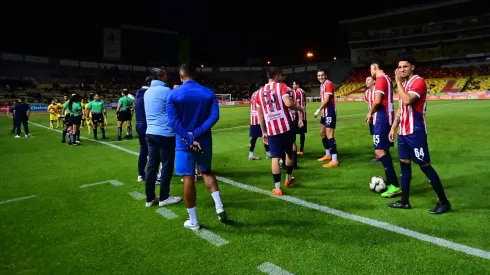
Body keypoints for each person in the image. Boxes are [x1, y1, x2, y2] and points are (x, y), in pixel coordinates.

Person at [167, 63, 227, 231]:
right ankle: (219, 205)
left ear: (180, 76)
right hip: (204, 140)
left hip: (184, 143)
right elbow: (214, 116)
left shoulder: (174, 94)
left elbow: (173, 122)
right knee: (207, 171)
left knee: (188, 178)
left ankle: (193, 221)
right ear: (197, 75)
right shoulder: (208, 93)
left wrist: (188, 137)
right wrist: (198, 133)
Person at [388, 56, 451, 214]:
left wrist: (398, 83)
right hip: (403, 132)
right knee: (404, 165)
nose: (402, 69)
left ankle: (444, 202)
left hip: (415, 132)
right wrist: (393, 127)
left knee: (425, 166)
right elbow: (401, 108)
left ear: (412, 67)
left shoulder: (418, 82)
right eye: (399, 66)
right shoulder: (405, 84)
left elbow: (408, 100)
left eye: (405, 66)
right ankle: (404, 201)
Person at [255, 67, 303, 196]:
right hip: (286, 126)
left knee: (275, 157)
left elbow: (260, 115)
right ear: (277, 75)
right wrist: (299, 108)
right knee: (289, 153)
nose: (281, 77)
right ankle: (288, 179)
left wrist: (263, 131)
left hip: (271, 129)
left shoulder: (260, 92)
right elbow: (288, 103)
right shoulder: (281, 86)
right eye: (281, 75)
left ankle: (277, 188)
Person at [143, 67, 181, 207]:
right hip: (165, 133)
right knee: (166, 165)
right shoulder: (166, 91)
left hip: (150, 133)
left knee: (152, 166)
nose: (167, 77)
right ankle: (164, 197)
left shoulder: (148, 92)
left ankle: (150, 198)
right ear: (160, 77)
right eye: (165, 75)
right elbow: (176, 108)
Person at [366, 61, 401, 198]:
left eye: (370, 68)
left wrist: (370, 113)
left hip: (382, 117)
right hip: (388, 116)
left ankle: (394, 184)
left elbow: (378, 100)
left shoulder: (380, 79)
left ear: (375, 67)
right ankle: (392, 182)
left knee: (379, 150)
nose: (370, 70)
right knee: (383, 149)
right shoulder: (387, 78)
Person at [314, 69, 339, 168]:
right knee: (322, 133)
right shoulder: (322, 85)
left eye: (322, 75)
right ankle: (328, 154)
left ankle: (334, 160)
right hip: (325, 113)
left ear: (326, 76)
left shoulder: (328, 84)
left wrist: (318, 110)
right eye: (319, 76)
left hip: (330, 112)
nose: (320, 77)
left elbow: (327, 99)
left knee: (329, 135)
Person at [135, 76, 151, 182]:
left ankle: (141, 174)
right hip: (148, 124)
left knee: (143, 150)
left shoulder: (138, 93)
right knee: (154, 150)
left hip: (139, 124)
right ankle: (154, 175)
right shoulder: (149, 93)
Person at [248, 87, 271, 160]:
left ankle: (250, 154)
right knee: (265, 135)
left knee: (254, 137)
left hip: (253, 118)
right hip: (260, 118)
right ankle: (268, 153)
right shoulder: (261, 93)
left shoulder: (253, 94)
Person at [365, 76, 379, 162]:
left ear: (374, 82)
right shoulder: (366, 92)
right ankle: (378, 155)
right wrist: (369, 115)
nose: (366, 81)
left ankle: (380, 155)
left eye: (368, 79)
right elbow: (369, 105)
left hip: (378, 117)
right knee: (374, 136)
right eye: (366, 80)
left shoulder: (377, 91)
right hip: (372, 117)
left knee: (378, 136)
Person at [292, 81, 307, 155]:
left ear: (298, 84)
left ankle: (295, 150)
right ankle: (301, 149)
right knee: (302, 133)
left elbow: (298, 105)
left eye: (294, 84)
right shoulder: (302, 91)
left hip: (298, 114)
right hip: (303, 113)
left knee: (294, 132)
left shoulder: (297, 91)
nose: (293, 85)